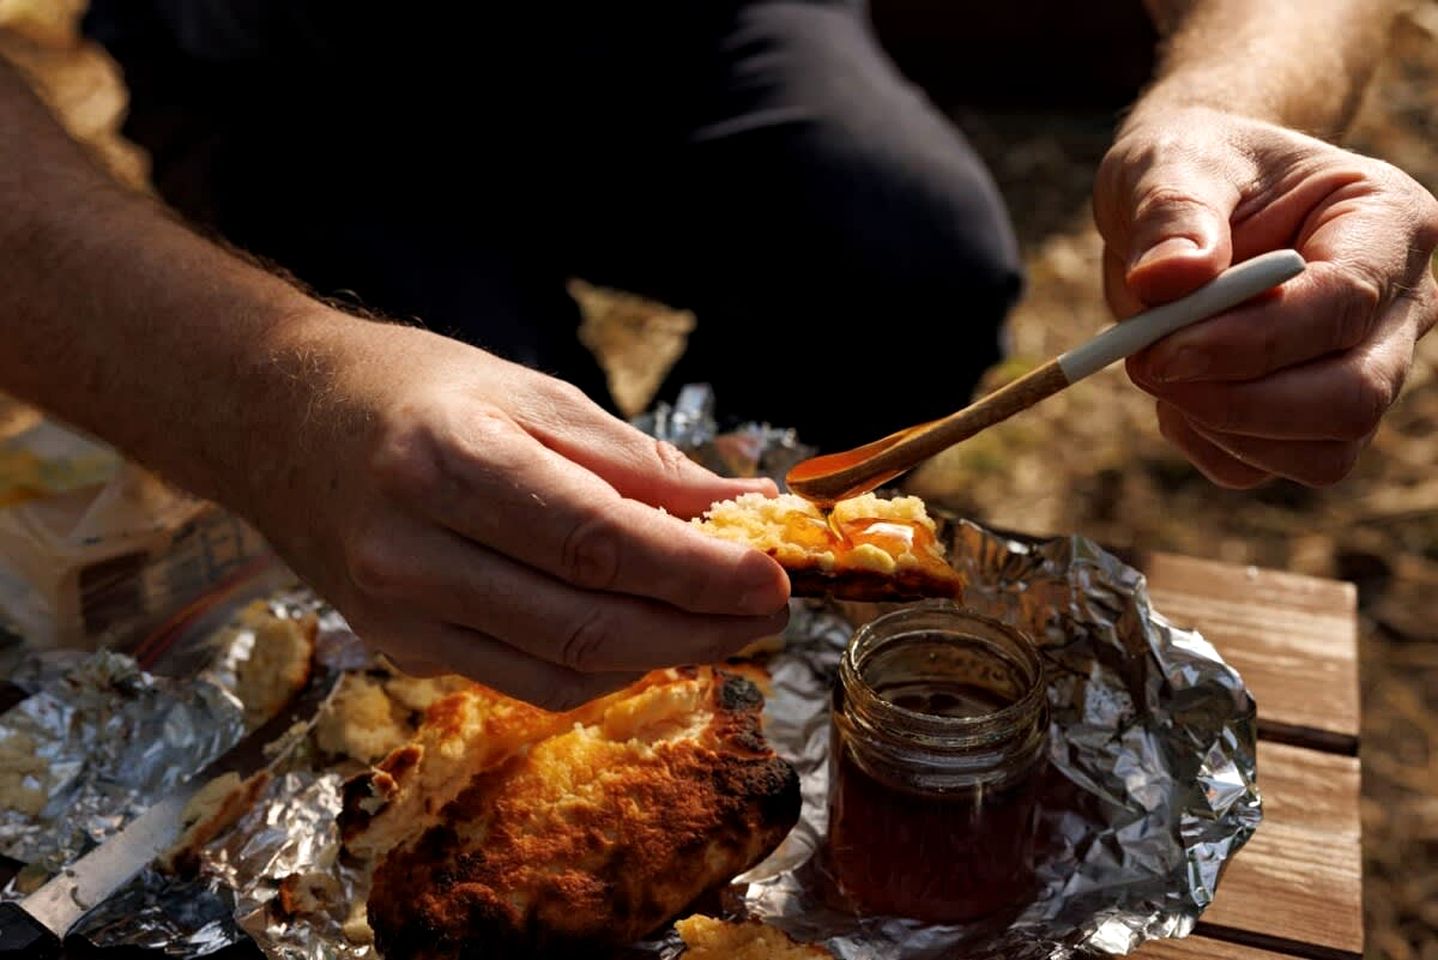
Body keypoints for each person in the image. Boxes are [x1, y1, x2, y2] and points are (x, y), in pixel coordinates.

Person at [1, 0, 1433, 707]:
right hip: (291, 67)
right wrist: (267, 402)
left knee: (906, 266)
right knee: (475, 525)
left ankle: (715, 635)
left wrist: (1226, 101)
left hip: (687, 32)